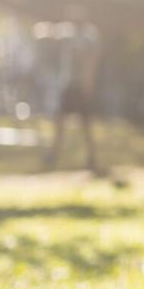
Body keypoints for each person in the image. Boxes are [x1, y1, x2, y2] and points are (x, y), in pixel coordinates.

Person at [44, 19, 102, 173]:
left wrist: (88, 83)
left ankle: (91, 157)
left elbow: (92, 61)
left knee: (85, 123)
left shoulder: (89, 37)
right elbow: (52, 32)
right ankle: (54, 153)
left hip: (80, 86)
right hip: (68, 85)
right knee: (60, 119)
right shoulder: (68, 33)